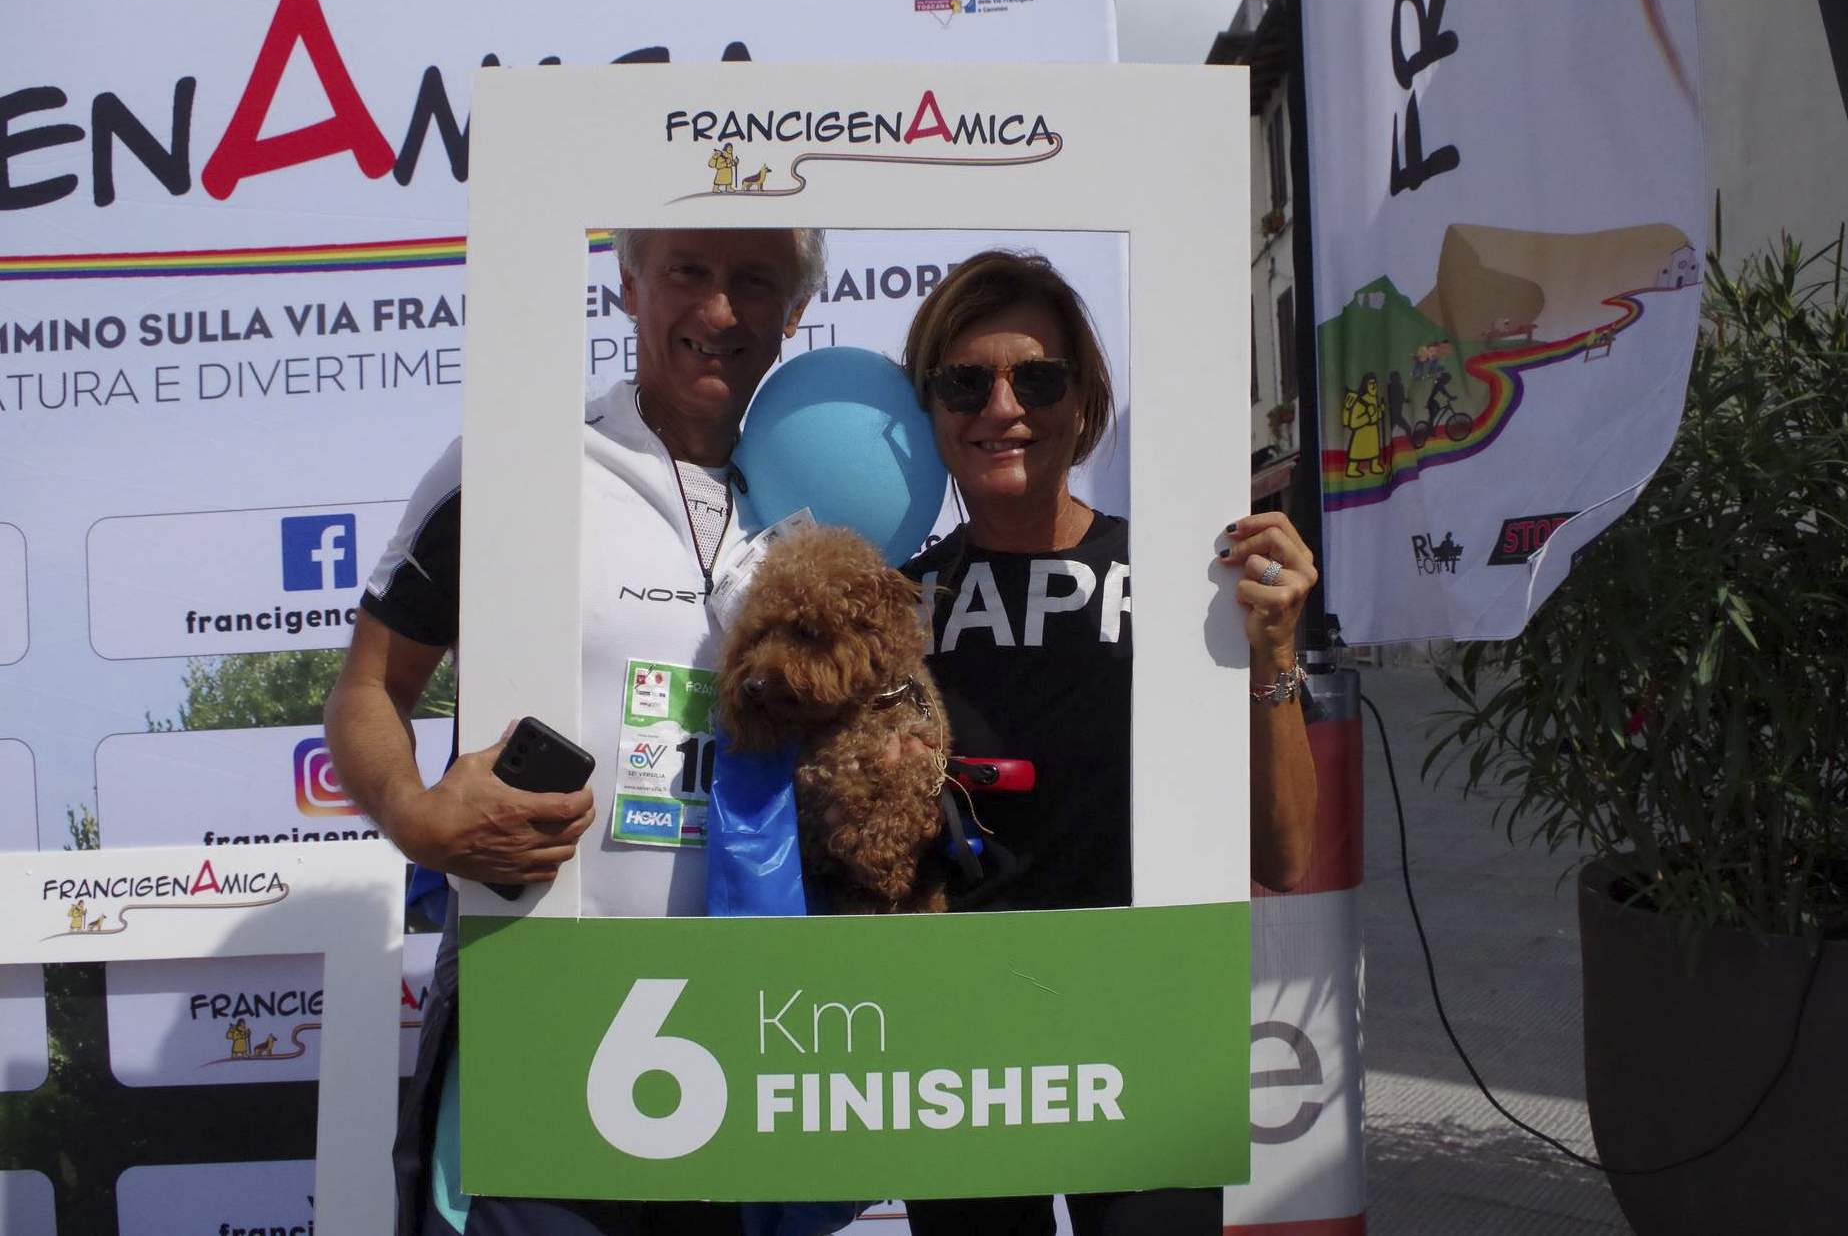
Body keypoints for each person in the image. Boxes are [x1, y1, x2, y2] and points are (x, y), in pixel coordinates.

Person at [323, 225, 825, 1236]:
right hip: (542, 1006)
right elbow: (370, 685)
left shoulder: (828, 501)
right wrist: (415, 817)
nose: (718, 309)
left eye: (753, 280)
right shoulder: (515, 467)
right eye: (687, 272)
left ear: (796, 311)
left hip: (765, 1026)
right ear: (629, 284)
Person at [896, 250, 1319, 1233]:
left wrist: (1273, 655)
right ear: (931, 407)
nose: (1004, 408)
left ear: (1084, 399)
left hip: (1148, 1019)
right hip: (953, 1037)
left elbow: (1285, 856)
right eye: (966, 382)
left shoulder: (1184, 581)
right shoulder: (892, 608)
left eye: (1038, 378)